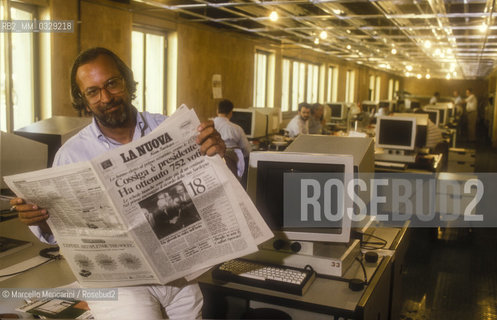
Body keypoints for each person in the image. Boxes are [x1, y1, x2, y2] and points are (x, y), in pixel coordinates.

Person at [10, 47, 226, 319]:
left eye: (112, 83)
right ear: (83, 99)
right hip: (119, 282)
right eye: (93, 91)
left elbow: (214, 189)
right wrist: (39, 218)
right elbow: (61, 230)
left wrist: (218, 154)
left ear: (126, 81)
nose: (106, 97)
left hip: (180, 274)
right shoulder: (72, 155)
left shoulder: (170, 128)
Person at [213, 99, 251, 178]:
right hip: (232, 167)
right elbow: (247, 150)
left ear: (217, 111)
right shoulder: (237, 128)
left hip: (213, 166)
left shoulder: (208, 127)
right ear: (230, 113)